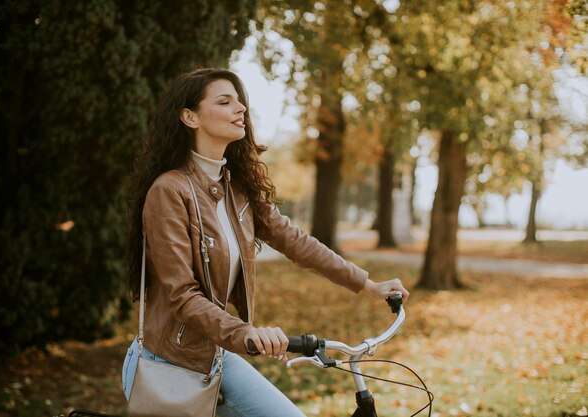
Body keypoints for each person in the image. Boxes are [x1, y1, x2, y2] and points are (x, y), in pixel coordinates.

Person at [122, 68, 409, 417]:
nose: (240, 108)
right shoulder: (170, 191)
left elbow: (294, 240)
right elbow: (182, 296)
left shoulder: (237, 191)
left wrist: (367, 284)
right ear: (189, 116)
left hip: (215, 355)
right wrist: (247, 333)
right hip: (167, 364)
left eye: (240, 101)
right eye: (225, 101)